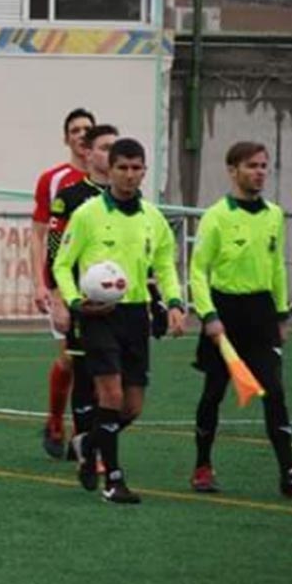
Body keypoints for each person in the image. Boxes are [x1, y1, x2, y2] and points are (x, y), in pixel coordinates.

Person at [188, 141, 292, 498]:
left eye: (264, 166)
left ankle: (289, 472)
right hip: (224, 313)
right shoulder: (216, 216)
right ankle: (202, 466)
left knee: (275, 391)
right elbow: (198, 271)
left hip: (262, 315)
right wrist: (209, 316)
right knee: (214, 392)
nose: (260, 172)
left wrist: (282, 314)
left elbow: (277, 267)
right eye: (252, 166)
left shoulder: (274, 215)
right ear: (232, 170)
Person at [52, 137, 186, 505]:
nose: (129, 175)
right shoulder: (88, 214)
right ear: (109, 170)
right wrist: (76, 302)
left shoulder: (153, 219)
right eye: (122, 168)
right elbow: (62, 264)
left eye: (136, 168)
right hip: (98, 315)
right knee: (109, 394)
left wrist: (174, 302)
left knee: (131, 408)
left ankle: (87, 442)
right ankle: (113, 480)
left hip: (135, 315)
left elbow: (165, 267)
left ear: (144, 171)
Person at [47, 124, 117, 461]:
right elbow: (55, 251)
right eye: (104, 148)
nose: (110, 154)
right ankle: (87, 445)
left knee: (123, 382)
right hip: (83, 304)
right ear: (87, 152)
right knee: (84, 373)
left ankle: (90, 443)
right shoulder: (70, 198)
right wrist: (58, 298)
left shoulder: (130, 200)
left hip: (123, 305)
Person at [31, 108, 95, 458]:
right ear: (66, 137)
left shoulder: (112, 179)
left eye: (88, 129)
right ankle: (55, 420)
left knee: (97, 361)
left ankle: (82, 436)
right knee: (71, 358)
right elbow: (40, 235)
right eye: (75, 130)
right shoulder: (54, 181)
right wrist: (45, 285)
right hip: (65, 284)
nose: (82, 135)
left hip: (101, 287)